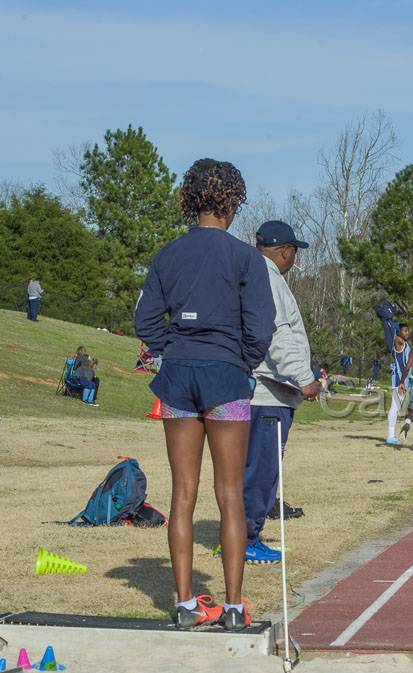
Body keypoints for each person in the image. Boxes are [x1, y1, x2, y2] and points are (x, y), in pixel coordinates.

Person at [135, 158, 274, 632]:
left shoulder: (168, 255)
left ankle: (184, 604)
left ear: (189, 201)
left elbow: (145, 322)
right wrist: (242, 361)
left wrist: (170, 348)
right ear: (232, 202)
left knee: (183, 494)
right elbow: (261, 326)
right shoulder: (245, 257)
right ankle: (233, 607)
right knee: (230, 493)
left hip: (177, 376)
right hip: (226, 376)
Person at [241, 220, 321, 565]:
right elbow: (277, 335)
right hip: (268, 397)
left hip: (261, 393)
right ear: (285, 251)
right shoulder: (268, 279)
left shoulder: (250, 274)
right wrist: (304, 377)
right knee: (261, 472)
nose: (294, 260)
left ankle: (240, 535)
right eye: (294, 252)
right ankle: (246, 538)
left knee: (253, 470)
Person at [384, 323, 412, 446]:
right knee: (394, 408)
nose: (407, 333)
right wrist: (389, 322)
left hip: (404, 381)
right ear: (399, 332)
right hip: (399, 381)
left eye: (408, 331)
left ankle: (394, 434)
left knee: (400, 407)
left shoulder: (406, 344)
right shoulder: (399, 343)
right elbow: (394, 338)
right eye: (405, 331)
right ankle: (390, 436)